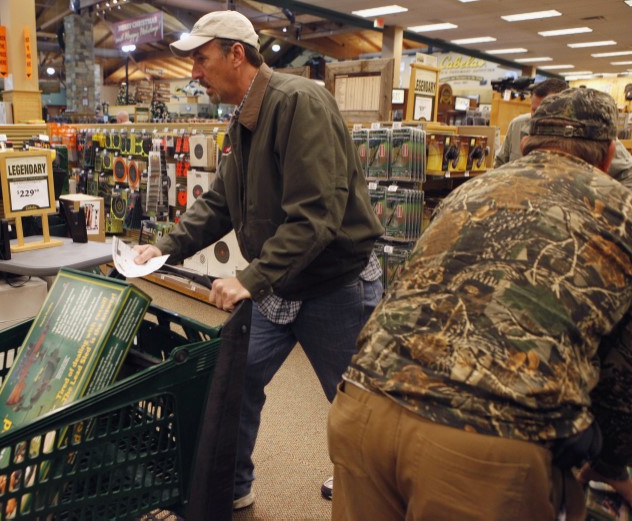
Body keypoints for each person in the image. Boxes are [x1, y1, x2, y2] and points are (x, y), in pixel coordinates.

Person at [329, 87, 632, 520]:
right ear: (606, 158)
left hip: (364, 403)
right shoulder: (622, 211)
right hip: (484, 439)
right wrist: (609, 464)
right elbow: (624, 368)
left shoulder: (466, 193)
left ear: (525, 145)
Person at [133, 10, 384, 510]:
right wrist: (165, 246)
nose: (195, 74)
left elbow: (316, 215)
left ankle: (374, 494)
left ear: (236, 54)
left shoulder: (299, 103)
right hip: (279, 283)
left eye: (202, 60)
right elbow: (222, 201)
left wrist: (250, 277)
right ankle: (234, 483)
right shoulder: (244, 118)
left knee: (357, 404)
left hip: (335, 283)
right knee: (237, 378)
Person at [495, 78, 632, 182]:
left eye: (548, 110)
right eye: (534, 110)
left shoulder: (596, 134)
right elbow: (500, 165)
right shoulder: (518, 125)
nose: (539, 117)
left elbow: (628, 175)